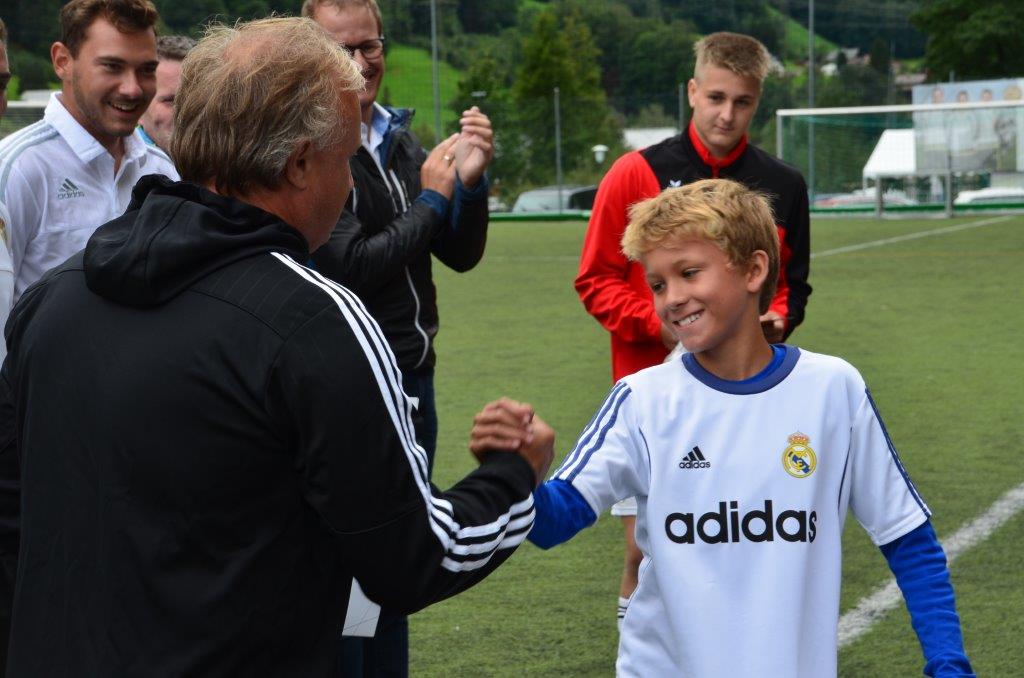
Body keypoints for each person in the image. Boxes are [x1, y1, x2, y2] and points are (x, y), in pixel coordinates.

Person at [0, 17, 553, 676]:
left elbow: (17, 516)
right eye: (345, 160)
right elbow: (414, 556)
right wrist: (514, 474)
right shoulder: (313, 322)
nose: (350, 184)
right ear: (299, 165)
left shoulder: (54, 299)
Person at [474, 179, 973, 677]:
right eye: (657, 284)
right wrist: (519, 471)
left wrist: (948, 663)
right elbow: (554, 522)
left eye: (689, 273)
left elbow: (907, 538)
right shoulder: (643, 400)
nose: (672, 298)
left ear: (754, 270)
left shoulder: (833, 390)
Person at [574, 31, 812, 628]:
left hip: (748, 402)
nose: (727, 114)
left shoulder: (784, 185)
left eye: (742, 101)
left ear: (758, 102)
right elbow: (595, 279)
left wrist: (776, 319)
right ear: (692, 91)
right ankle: (640, 659)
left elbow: (790, 284)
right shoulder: (635, 172)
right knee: (645, 552)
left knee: (740, 542)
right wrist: (661, 327)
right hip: (656, 400)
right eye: (715, 98)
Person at [302, 0, 494, 673]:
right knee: (353, 566)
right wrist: (433, 199)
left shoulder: (397, 138)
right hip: (354, 384)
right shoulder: (310, 146)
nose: (361, 62)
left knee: (401, 561)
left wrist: (471, 183)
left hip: (414, 379)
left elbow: (459, 255)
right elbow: (351, 265)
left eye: (371, 45)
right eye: (341, 48)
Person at [0, 0, 178, 305]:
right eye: (112, 66)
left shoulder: (162, 171)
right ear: (62, 61)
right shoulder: (16, 168)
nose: (132, 89)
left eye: (147, 70)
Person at [137, 34, 195, 151]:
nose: (185, 113)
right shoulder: (114, 161)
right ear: (139, 110)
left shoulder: (225, 158)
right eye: (171, 101)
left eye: (195, 100)